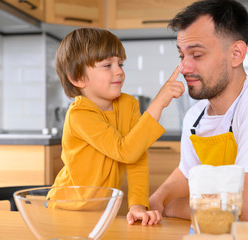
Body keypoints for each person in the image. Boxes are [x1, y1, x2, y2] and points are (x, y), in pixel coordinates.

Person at [149, 0, 248, 222]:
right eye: (181, 55)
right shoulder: (196, 118)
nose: (184, 68)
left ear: (236, 54)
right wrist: (157, 200)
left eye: (197, 55)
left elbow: (245, 211)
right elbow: (186, 176)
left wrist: (172, 206)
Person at [49, 28, 185, 225]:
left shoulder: (128, 105)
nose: (119, 71)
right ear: (77, 77)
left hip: (103, 210)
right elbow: (125, 150)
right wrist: (159, 103)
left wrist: (138, 204)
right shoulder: (80, 114)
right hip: (66, 209)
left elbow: (136, 157)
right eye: (107, 65)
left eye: (120, 63)